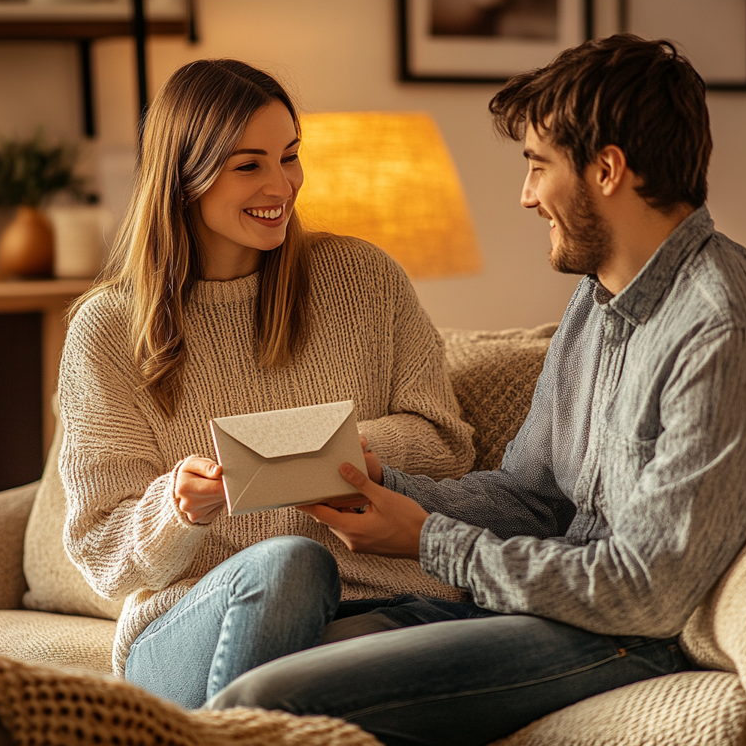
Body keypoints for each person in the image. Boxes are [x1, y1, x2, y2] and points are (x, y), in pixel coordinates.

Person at [206, 35, 746, 745]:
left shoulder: (725, 333)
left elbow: (649, 592)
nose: (526, 195)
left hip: (624, 637)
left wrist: (428, 539)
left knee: (264, 699)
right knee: (268, 656)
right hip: (538, 605)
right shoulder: (600, 298)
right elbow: (533, 496)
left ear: (607, 169)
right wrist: (394, 486)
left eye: (538, 167)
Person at [56, 58, 476, 710]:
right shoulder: (108, 330)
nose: (283, 184)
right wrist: (178, 509)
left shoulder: (364, 278)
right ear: (185, 178)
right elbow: (99, 549)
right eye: (249, 165)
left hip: (376, 606)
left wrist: (348, 449)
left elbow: (448, 444)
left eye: (291, 156)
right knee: (288, 565)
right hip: (196, 621)